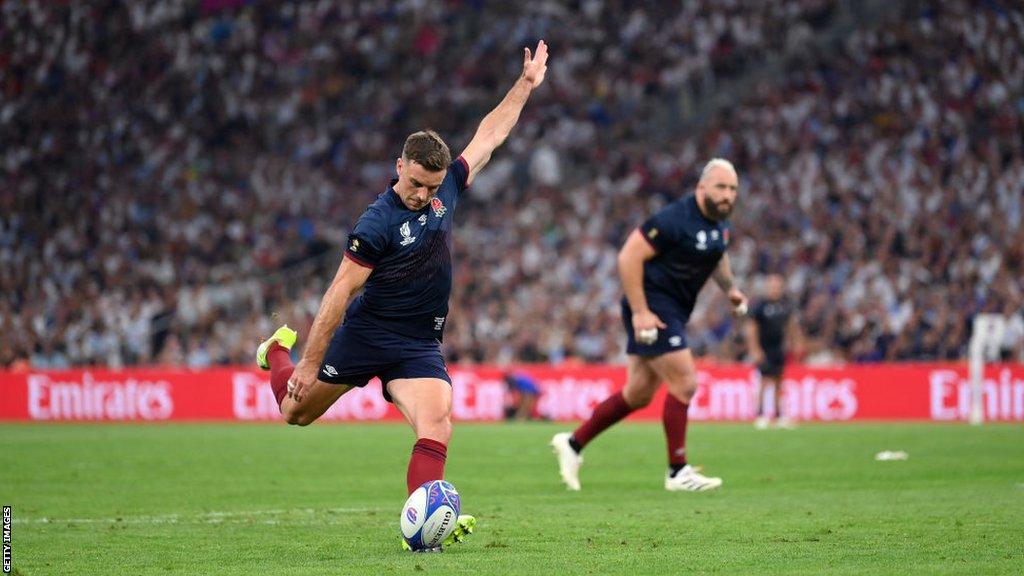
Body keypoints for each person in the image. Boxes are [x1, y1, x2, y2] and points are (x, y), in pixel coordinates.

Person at [254, 41, 549, 551]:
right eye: (414, 184)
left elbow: (490, 135)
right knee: (294, 414)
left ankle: (428, 528)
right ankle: (274, 351)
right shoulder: (377, 223)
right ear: (400, 167)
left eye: (431, 187)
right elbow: (338, 294)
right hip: (366, 334)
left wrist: (523, 85)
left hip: (417, 344)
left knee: (438, 423)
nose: (422, 195)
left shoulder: (445, 189)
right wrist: (304, 363)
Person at [551, 159, 748, 492]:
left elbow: (717, 252)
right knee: (685, 381)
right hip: (653, 306)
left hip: (671, 309)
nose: (728, 194)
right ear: (702, 188)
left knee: (639, 393)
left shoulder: (719, 222)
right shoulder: (674, 218)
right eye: (721, 187)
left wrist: (729, 289)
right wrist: (641, 311)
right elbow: (628, 256)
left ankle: (572, 443)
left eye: (732, 189)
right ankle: (677, 471)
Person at [745, 274, 802, 429]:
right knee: (764, 381)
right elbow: (751, 328)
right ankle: (761, 414)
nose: (774, 290)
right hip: (764, 348)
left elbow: (791, 325)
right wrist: (755, 349)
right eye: (772, 286)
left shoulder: (785, 305)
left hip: (778, 348)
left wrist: (796, 343)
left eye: (777, 286)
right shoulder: (759, 306)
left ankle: (779, 415)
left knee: (778, 381)